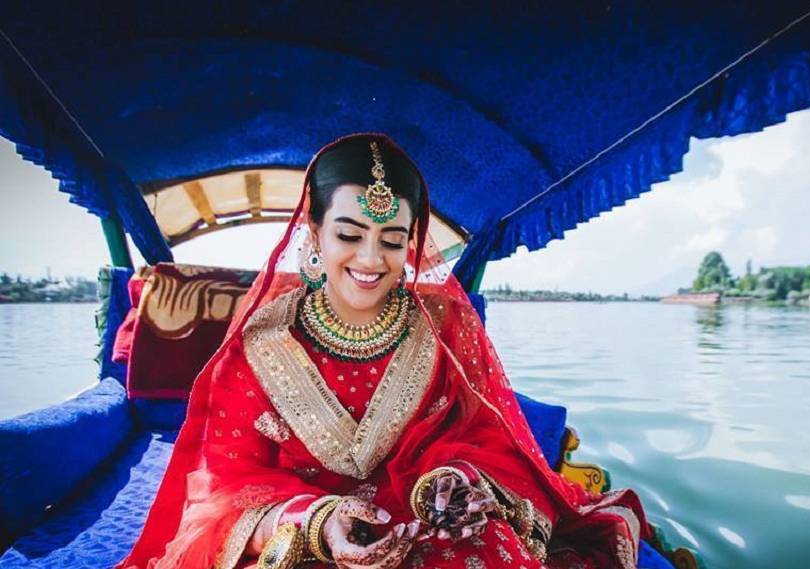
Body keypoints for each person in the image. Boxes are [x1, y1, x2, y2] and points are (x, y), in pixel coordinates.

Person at [120, 133, 651, 569]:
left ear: (412, 244)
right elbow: (225, 481)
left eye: (393, 240)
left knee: (487, 546)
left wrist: (456, 482)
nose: (371, 259)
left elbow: (485, 436)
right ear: (314, 234)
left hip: (427, 521)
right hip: (307, 532)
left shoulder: (442, 330)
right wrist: (317, 523)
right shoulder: (259, 345)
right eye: (349, 234)